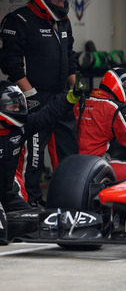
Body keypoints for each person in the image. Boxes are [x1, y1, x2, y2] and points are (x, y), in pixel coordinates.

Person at [0, 0, 79, 206]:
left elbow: (70, 55)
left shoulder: (64, 22)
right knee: (33, 155)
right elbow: (9, 62)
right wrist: (29, 93)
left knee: (68, 152)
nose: (62, 3)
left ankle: (68, 200)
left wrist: (75, 86)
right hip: (33, 98)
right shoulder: (18, 20)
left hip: (62, 97)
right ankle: (31, 202)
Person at [0, 81, 79, 244]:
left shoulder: (21, 127)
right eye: (12, 106)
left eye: (19, 104)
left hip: (7, 193)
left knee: (35, 223)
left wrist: (70, 98)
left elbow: (47, 115)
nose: (18, 109)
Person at [74, 69, 126, 180]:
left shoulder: (79, 102)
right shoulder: (114, 107)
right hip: (94, 166)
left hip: (71, 165)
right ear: (124, 87)